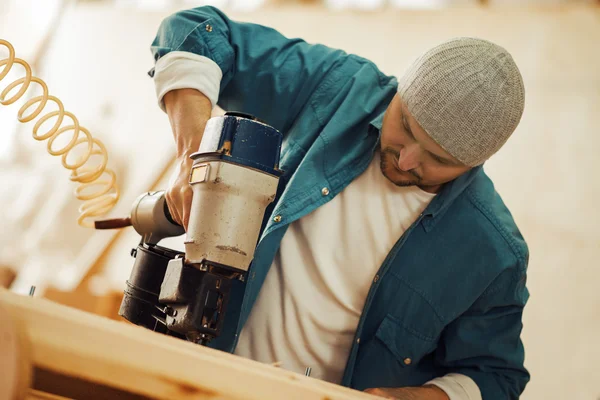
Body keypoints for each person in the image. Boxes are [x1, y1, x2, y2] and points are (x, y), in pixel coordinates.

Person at [150, 6, 529, 400]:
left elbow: (496, 377)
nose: (407, 159)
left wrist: (425, 397)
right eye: (406, 126)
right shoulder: (339, 91)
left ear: (475, 162)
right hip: (205, 382)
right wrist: (193, 159)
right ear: (400, 91)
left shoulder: (493, 252)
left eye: (439, 160)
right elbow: (194, 31)